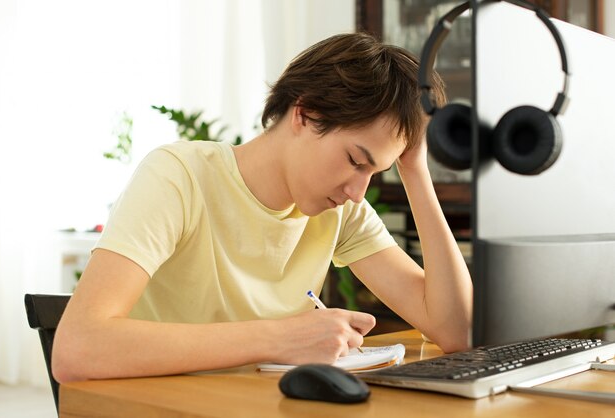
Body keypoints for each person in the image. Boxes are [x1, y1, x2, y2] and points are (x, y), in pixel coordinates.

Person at [52, 32, 472, 383]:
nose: (358, 191)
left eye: (374, 171)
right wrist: (279, 338)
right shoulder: (179, 177)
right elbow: (77, 348)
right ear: (305, 113)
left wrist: (415, 171)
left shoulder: (340, 210)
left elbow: (455, 330)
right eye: (354, 161)